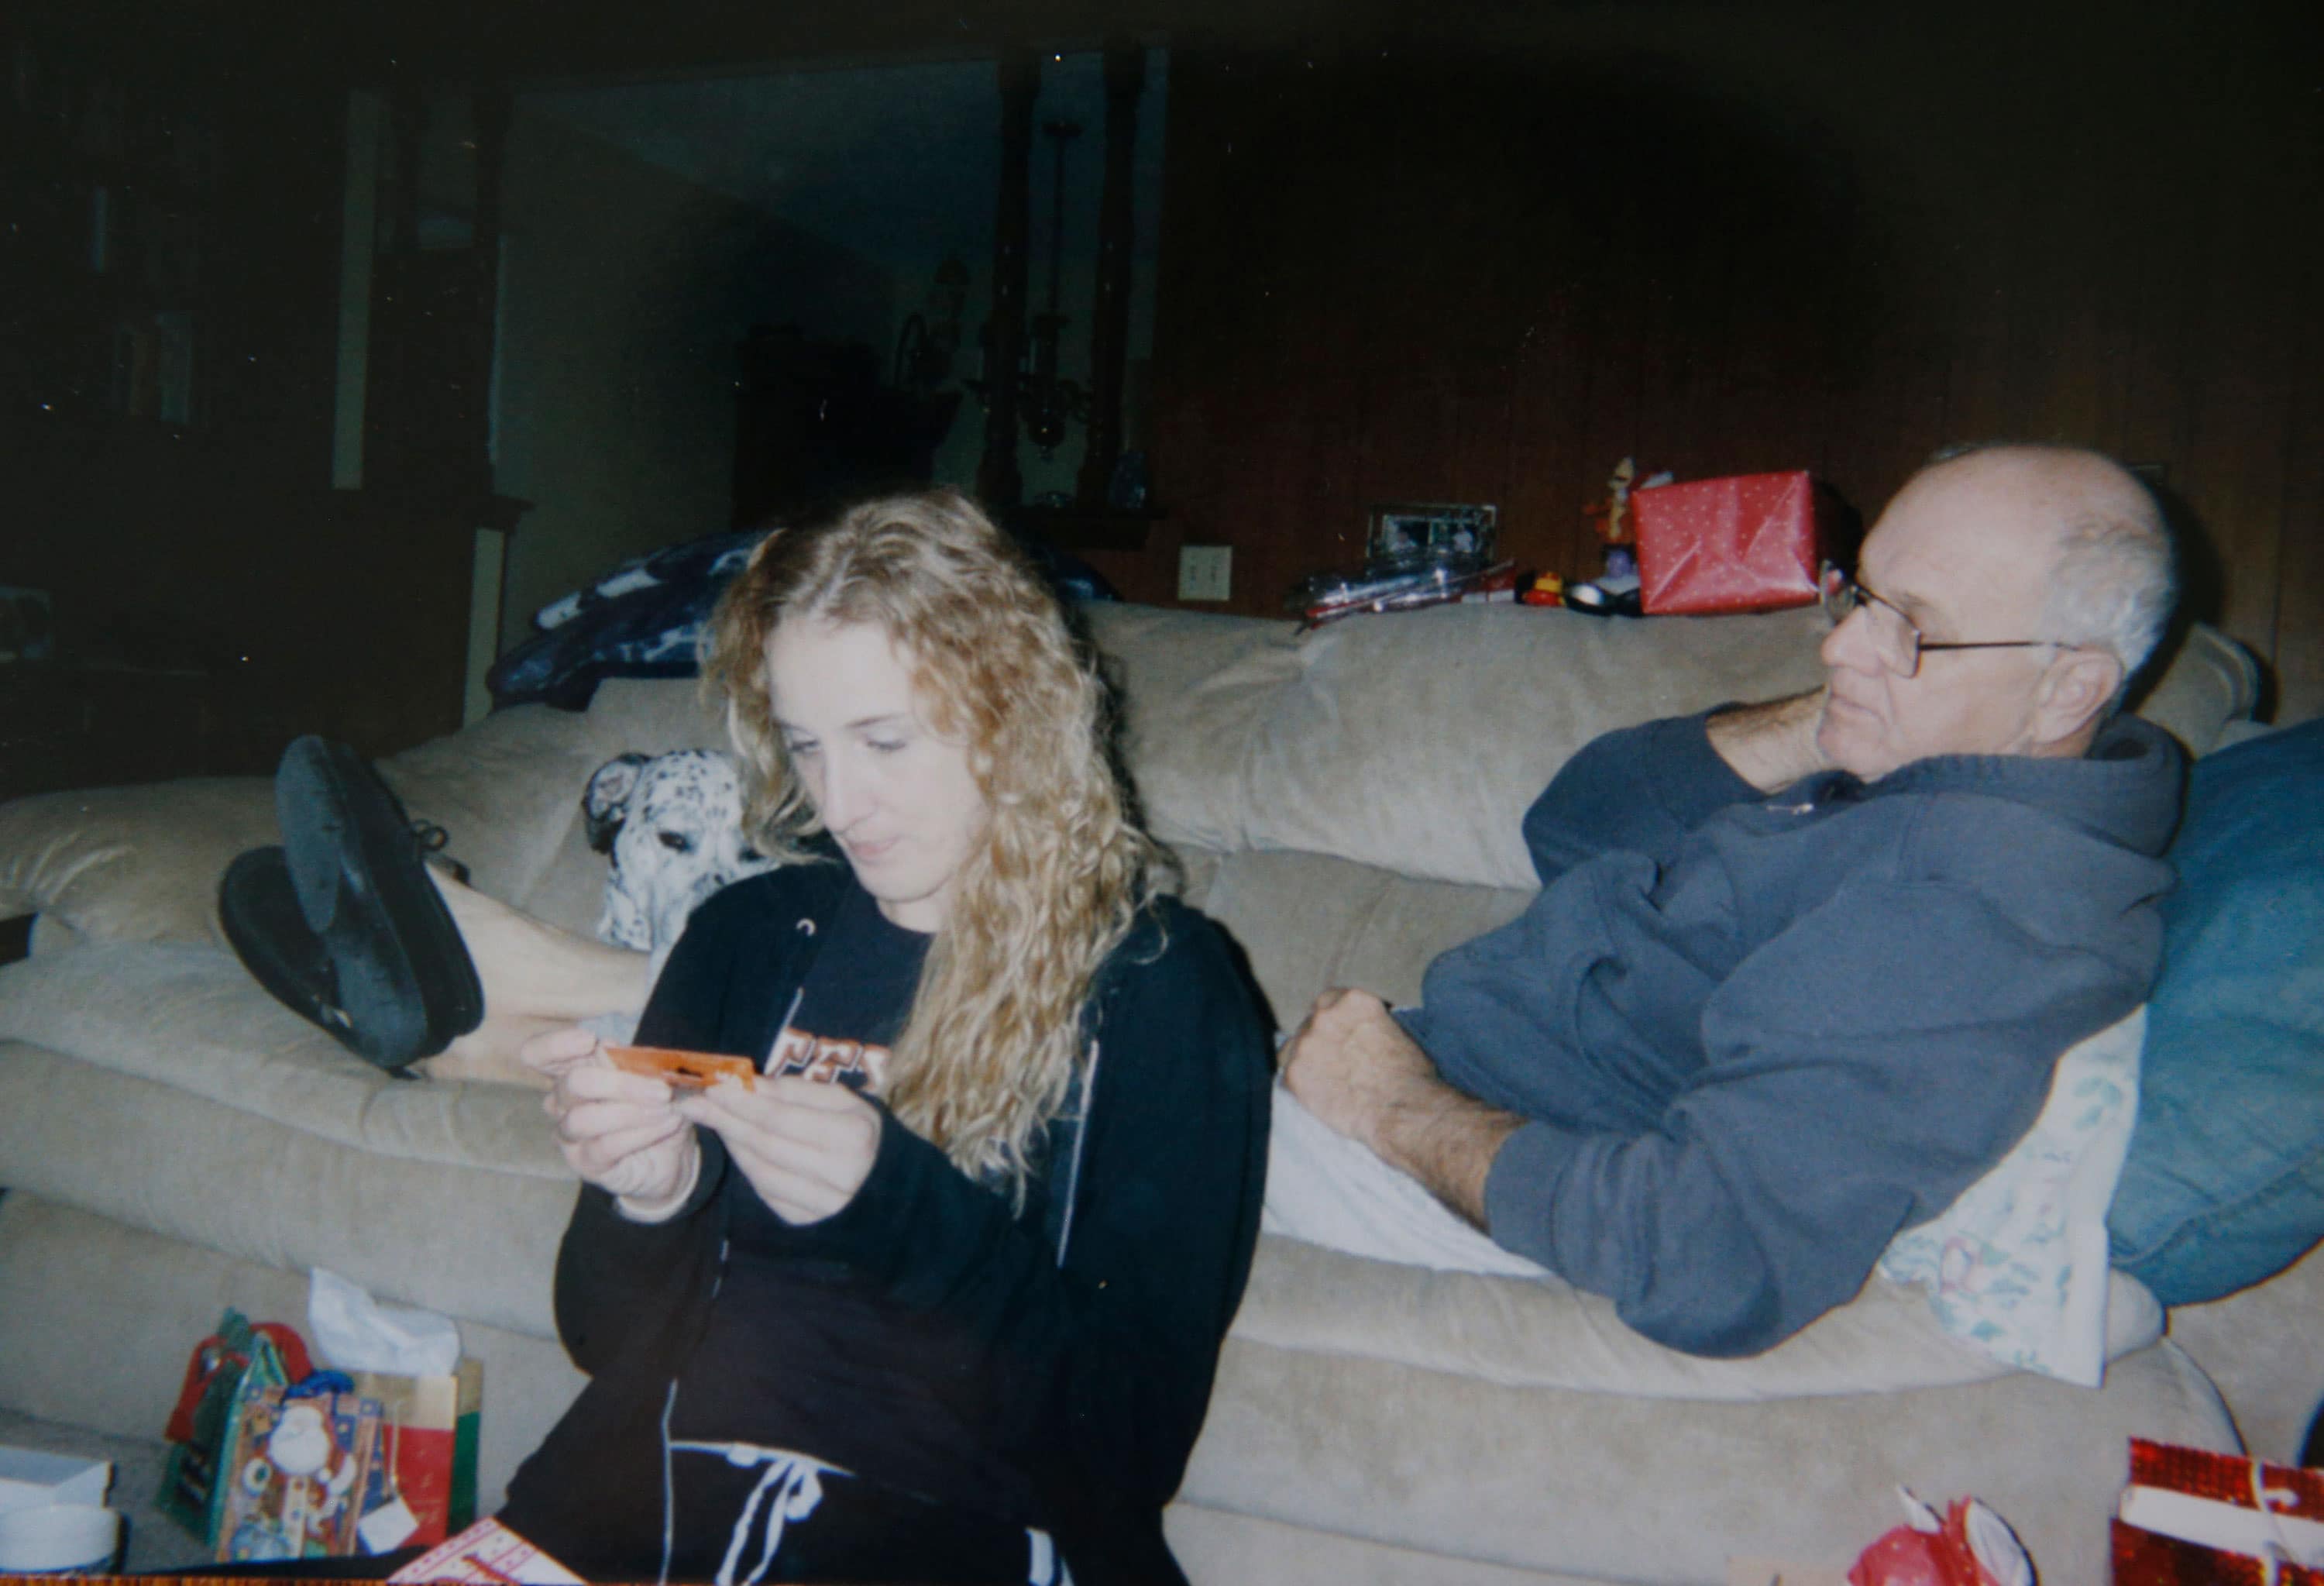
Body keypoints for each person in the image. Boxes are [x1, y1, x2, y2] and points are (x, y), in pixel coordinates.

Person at [234, 490, 1272, 1584]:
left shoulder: (1161, 986)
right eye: (805, 744)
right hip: (635, 1516)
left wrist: (896, 1203)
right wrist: (652, 1194)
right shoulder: (750, 935)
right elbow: (608, 1339)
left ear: (1011, 713)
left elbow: (1128, 1440)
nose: (841, 798)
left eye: (884, 739)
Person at [1273, 441, 2185, 1357]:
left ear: (2071, 688)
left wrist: (1388, 1103)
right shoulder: (1946, 778)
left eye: (1912, 624)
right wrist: (1838, 719)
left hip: (1437, 1167)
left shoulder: (1970, 912)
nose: (1837, 643)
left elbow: (1713, 1255)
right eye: (1860, 596)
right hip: (1427, 1099)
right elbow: (1570, 827)